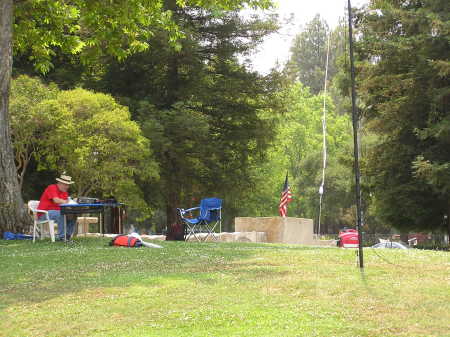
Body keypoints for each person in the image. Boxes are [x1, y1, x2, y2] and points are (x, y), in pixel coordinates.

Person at [37, 173, 76, 240]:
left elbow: (66, 205)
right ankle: (62, 237)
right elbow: (56, 200)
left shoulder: (64, 192)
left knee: (73, 214)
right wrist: (68, 202)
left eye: (68, 185)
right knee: (62, 214)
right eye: (65, 184)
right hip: (44, 214)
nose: (67, 187)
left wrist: (74, 204)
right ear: (60, 183)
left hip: (56, 212)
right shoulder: (52, 187)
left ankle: (68, 236)